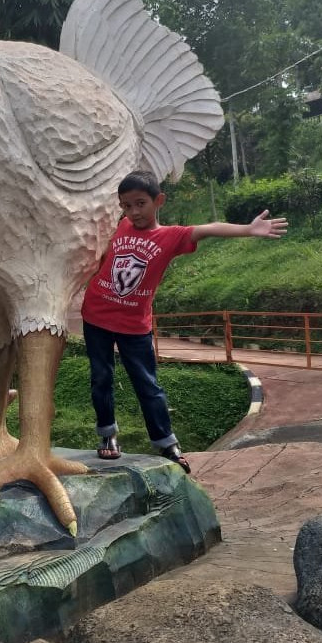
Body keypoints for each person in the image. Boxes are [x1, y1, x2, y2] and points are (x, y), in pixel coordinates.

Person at [81, 169, 288, 473]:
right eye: (126, 206)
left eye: (140, 204)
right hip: (96, 314)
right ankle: (107, 434)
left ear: (159, 201)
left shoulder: (170, 236)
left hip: (134, 325)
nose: (134, 212)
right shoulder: (120, 226)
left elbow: (208, 228)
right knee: (101, 377)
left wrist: (248, 229)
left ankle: (166, 443)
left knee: (147, 385)